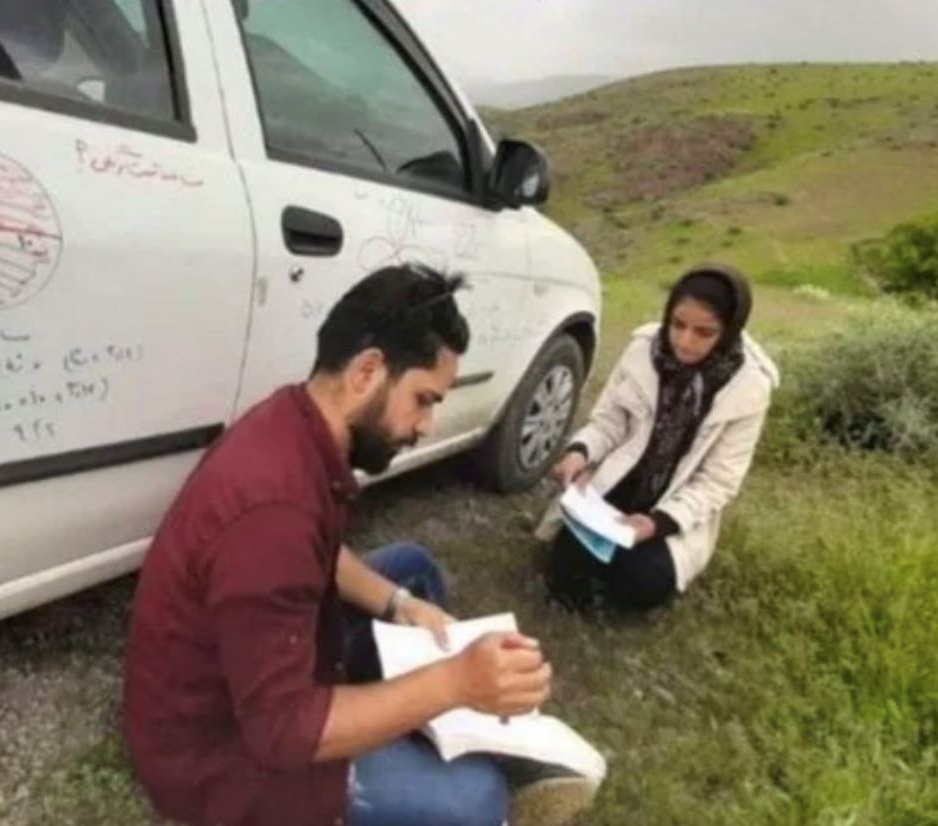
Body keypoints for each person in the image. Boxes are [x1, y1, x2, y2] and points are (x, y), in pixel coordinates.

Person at [124, 264, 597, 826]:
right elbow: (282, 733)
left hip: (252, 664)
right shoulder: (272, 513)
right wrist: (454, 681)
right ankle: (443, 740)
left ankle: (434, 725)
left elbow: (318, 555)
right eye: (423, 399)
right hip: (217, 758)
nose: (425, 425)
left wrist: (401, 604)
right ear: (367, 371)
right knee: (479, 800)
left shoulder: (292, 420)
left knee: (411, 572)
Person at [538, 264, 779, 612]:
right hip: (619, 482)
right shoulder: (643, 351)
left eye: (704, 332)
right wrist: (580, 452)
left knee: (643, 581)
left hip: (672, 506)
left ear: (728, 330)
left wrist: (656, 523)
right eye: (677, 325)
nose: (684, 341)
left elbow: (718, 482)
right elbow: (608, 422)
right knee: (565, 569)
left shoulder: (749, 389)